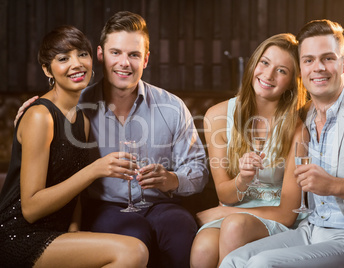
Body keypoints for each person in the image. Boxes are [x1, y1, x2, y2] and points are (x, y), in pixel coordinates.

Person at [15, 11, 209, 267]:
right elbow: (47, 118)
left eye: (134, 55)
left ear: (146, 59)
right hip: (104, 206)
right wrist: (33, 110)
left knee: (181, 231)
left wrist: (171, 179)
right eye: (115, 53)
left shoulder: (172, 106)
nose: (124, 63)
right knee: (133, 233)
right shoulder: (77, 104)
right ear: (100, 55)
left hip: (161, 205)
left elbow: (199, 170)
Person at [220, 19, 344, 268]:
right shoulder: (301, 117)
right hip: (311, 230)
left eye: (328, 58)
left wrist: (338, 186)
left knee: (263, 264)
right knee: (233, 261)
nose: (318, 68)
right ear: (301, 69)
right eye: (308, 60)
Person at [0, 25, 148, 267]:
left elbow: (74, 195)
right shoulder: (41, 117)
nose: (76, 64)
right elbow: (30, 209)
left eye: (82, 54)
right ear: (47, 69)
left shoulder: (83, 120)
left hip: (57, 234)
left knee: (132, 244)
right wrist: (94, 170)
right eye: (63, 58)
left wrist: (75, 229)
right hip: (18, 235)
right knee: (133, 252)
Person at [190, 33, 308, 267]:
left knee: (234, 227)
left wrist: (223, 214)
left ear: (293, 81)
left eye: (282, 71)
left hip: (276, 216)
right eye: (264, 63)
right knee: (203, 250)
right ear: (254, 63)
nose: (268, 75)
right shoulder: (217, 116)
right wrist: (242, 180)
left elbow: (288, 213)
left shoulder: (297, 128)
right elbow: (225, 194)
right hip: (236, 207)